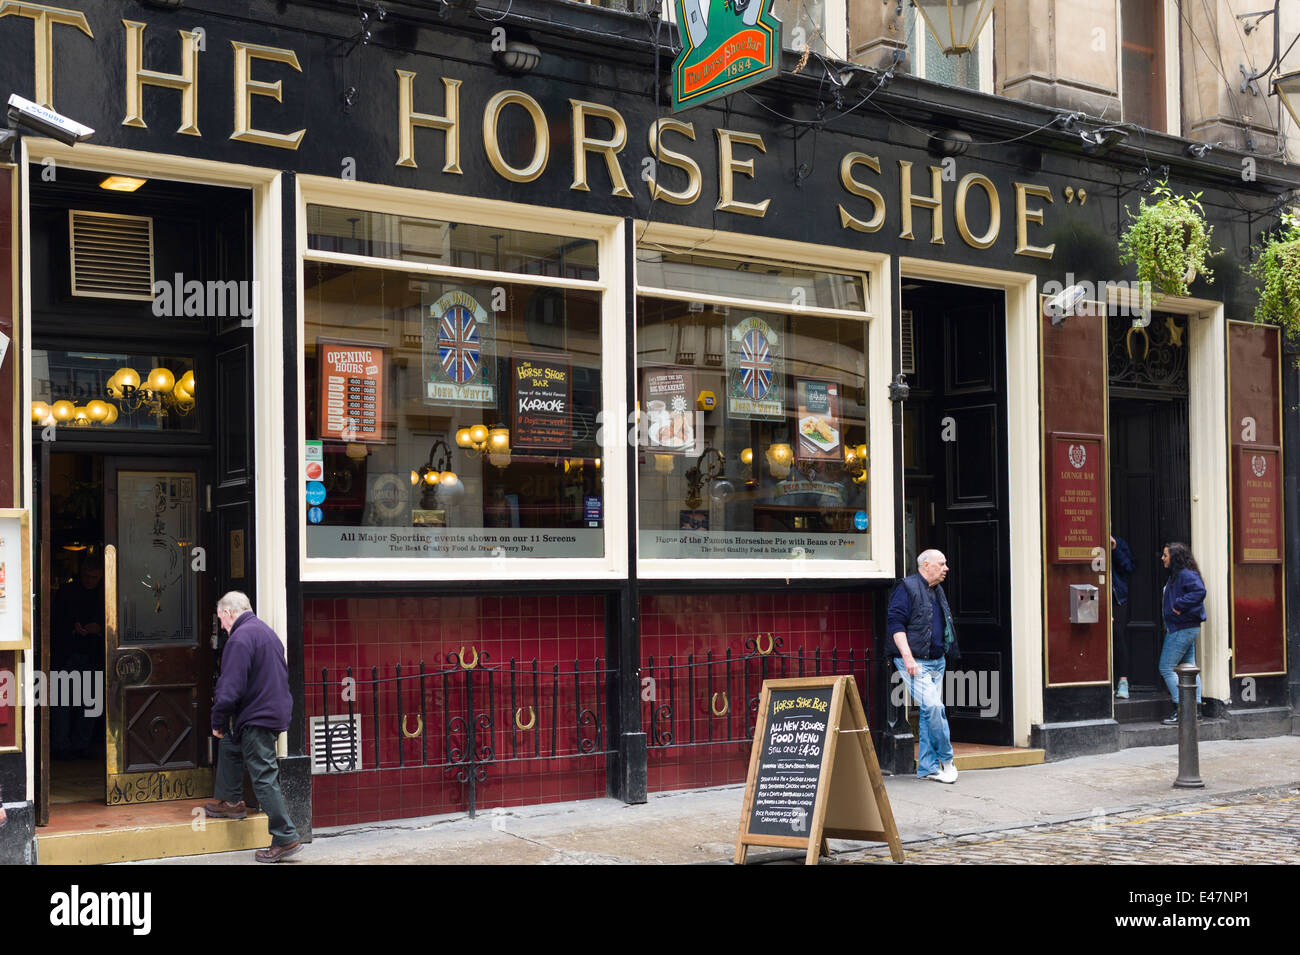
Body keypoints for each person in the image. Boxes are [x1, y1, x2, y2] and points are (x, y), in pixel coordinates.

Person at [206, 591, 302, 862]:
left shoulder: (239, 638)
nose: (222, 626)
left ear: (228, 613)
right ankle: (232, 801)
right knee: (230, 744)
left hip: (257, 718)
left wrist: (218, 720)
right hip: (268, 712)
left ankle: (286, 837)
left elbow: (229, 688)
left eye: (220, 620)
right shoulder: (265, 632)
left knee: (263, 777)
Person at [887, 549, 961, 783]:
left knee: (930, 713)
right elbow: (895, 624)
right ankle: (947, 760)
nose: (946, 568)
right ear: (926, 565)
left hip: (937, 661)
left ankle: (928, 768)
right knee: (935, 707)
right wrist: (907, 658)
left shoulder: (936, 589)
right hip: (915, 662)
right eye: (942, 563)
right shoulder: (906, 587)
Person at [50, 554, 104, 759]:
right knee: (62, 702)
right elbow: (53, 620)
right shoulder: (67, 591)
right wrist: (73, 627)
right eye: (87, 576)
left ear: (100, 576)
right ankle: (61, 745)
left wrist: (99, 629)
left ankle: (81, 745)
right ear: (81, 573)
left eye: (94, 577)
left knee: (89, 703)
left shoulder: (104, 593)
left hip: (92, 653)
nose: (90, 580)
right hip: (68, 652)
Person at [1158, 543, 1205, 724]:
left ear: (1175, 557)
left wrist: (1179, 606)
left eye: (1165, 555)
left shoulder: (1185, 574)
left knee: (1166, 667)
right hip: (1185, 627)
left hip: (1181, 628)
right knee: (1190, 665)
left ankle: (1182, 710)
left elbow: (1200, 591)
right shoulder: (1179, 575)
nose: (1162, 558)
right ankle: (1196, 710)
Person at [1110, 535, 1136, 699]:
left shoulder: (1119, 542)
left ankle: (1123, 682)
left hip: (1117, 598)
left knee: (1118, 636)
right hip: (1097, 596)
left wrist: (1115, 548)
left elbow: (1129, 567)